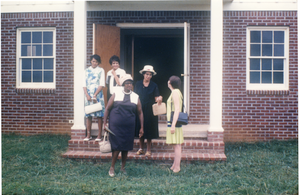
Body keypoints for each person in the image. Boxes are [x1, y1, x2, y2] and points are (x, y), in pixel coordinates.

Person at [103, 74, 144, 177]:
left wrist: (142, 127)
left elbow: (140, 112)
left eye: (131, 83)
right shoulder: (116, 94)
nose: (129, 85)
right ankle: (112, 167)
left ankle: (123, 168)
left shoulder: (135, 96)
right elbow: (107, 108)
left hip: (129, 126)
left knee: (125, 147)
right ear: (123, 84)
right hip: (116, 126)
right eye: (127, 83)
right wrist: (104, 123)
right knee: (116, 147)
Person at [134, 65, 162, 156]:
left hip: (150, 110)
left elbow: (156, 98)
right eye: (147, 74)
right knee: (140, 129)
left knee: (149, 129)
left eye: (150, 75)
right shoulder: (138, 84)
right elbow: (134, 96)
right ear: (143, 74)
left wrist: (159, 99)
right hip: (140, 108)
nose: (148, 76)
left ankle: (148, 150)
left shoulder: (154, 85)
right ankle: (141, 148)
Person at [83, 54, 105, 142]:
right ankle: (89, 134)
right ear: (90, 61)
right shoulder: (86, 70)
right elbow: (83, 84)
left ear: (98, 62)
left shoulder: (101, 70)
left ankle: (99, 134)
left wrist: (95, 94)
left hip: (98, 95)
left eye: (96, 61)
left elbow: (102, 83)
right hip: (88, 95)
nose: (94, 63)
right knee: (88, 115)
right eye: (93, 61)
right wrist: (87, 95)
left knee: (99, 115)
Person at [166, 75, 183, 173]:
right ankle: (175, 164)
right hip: (174, 122)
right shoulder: (175, 92)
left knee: (177, 145)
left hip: (174, 122)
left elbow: (177, 109)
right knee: (176, 145)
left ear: (170, 83)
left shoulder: (175, 92)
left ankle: (177, 167)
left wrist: (173, 125)